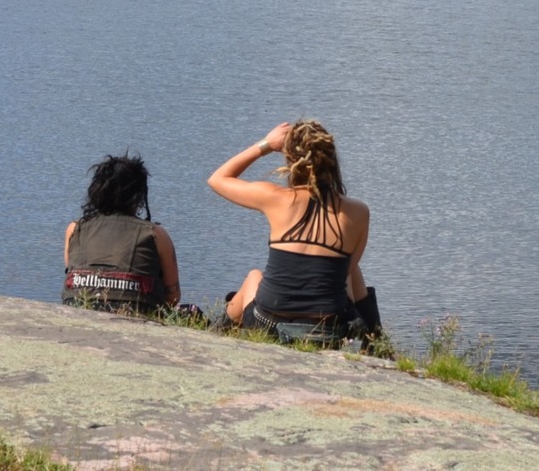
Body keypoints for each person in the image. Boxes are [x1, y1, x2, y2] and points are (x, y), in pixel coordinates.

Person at [208, 120, 379, 340]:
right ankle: (376, 340)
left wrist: (266, 145)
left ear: (291, 161)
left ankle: (214, 334)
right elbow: (344, 272)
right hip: (328, 330)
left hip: (270, 325)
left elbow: (217, 179)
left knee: (254, 277)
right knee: (344, 266)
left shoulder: (276, 198)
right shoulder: (358, 211)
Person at [62, 153, 181, 313]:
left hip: (77, 311)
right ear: (138, 195)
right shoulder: (156, 235)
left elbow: (72, 274)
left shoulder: (75, 229)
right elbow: (173, 296)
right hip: (135, 314)